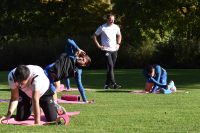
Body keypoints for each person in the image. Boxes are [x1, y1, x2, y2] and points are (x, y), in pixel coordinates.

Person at [0, 65, 66, 125]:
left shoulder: (37, 76)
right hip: (26, 91)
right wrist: (8, 114)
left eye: (21, 83)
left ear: (28, 77)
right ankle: (37, 108)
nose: (19, 85)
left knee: (52, 118)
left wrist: (37, 123)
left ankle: (55, 107)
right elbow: (14, 98)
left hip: (43, 91)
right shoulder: (12, 76)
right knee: (21, 117)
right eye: (18, 83)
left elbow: (35, 100)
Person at [93, 13, 122, 89]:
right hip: (106, 50)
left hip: (114, 50)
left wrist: (118, 44)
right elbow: (94, 36)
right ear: (107, 19)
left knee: (110, 68)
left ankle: (106, 85)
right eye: (110, 20)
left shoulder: (116, 27)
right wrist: (99, 45)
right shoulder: (102, 27)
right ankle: (114, 84)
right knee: (110, 66)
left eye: (113, 20)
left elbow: (119, 35)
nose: (112, 21)